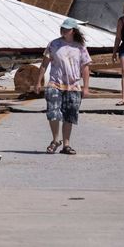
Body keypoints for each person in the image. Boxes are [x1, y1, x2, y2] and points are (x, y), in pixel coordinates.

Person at [34, 18, 91, 155]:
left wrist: (86, 87)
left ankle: (66, 144)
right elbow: (44, 64)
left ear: (73, 31)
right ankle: (55, 140)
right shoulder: (54, 44)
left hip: (73, 86)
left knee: (69, 115)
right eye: (62, 28)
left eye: (67, 29)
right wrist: (38, 82)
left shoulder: (80, 47)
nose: (63, 31)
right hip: (55, 83)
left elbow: (85, 67)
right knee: (53, 113)